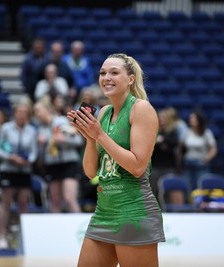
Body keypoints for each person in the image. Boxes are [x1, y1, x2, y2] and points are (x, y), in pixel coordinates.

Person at [67, 53, 165, 266]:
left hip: (133, 211)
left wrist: (100, 135)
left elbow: (138, 166)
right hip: (104, 211)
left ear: (130, 79)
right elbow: (91, 172)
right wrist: (90, 139)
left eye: (114, 72)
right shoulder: (103, 112)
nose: (106, 77)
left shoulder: (141, 109)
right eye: (102, 73)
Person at [0, 102, 38, 249]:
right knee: (6, 203)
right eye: (20, 111)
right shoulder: (6, 128)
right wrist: (10, 157)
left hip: (24, 171)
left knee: (23, 203)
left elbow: (34, 151)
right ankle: (2, 236)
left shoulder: (31, 130)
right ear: (15, 113)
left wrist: (28, 160)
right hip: (8, 169)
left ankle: (22, 236)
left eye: (25, 112)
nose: (22, 114)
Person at [34, 100, 83, 213]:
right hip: (52, 164)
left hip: (69, 163)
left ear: (47, 109)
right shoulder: (40, 128)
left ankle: (81, 230)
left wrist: (63, 140)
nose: (36, 113)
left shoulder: (61, 122)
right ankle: (55, 229)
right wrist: (42, 145)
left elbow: (78, 140)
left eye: (38, 110)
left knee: (69, 198)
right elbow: (41, 153)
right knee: (55, 200)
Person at [179, 110, 217, 191]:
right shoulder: (187, 132)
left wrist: (206, 159)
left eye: (194, 118)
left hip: (201, 164)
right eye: (191, 118)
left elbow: (213, 149)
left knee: (201, 187)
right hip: (188, 163)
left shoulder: (206, 133)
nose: (192, 120)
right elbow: (181, 147)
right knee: (188, 187)